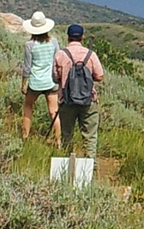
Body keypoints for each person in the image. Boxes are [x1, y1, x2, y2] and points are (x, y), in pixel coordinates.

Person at [52, 23, 105, 158]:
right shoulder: (90, 54)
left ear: (68, 37)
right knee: (90, 137)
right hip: (88, 100)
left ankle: (66, 165)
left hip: (67, 100)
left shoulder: (61, 54)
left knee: (67, 134)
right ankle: (89, 167)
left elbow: (55, 78)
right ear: (82, 37)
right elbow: (99, 76)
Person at [19, 11, 60, 141]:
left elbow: (27, 67)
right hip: (51, 82)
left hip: (35, 83)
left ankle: (25, 136)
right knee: (53, 111)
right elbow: (57, 60)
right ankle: (58, 140)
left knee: (28, 107)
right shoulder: (53, 42)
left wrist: (23, 84)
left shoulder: (29, 45)